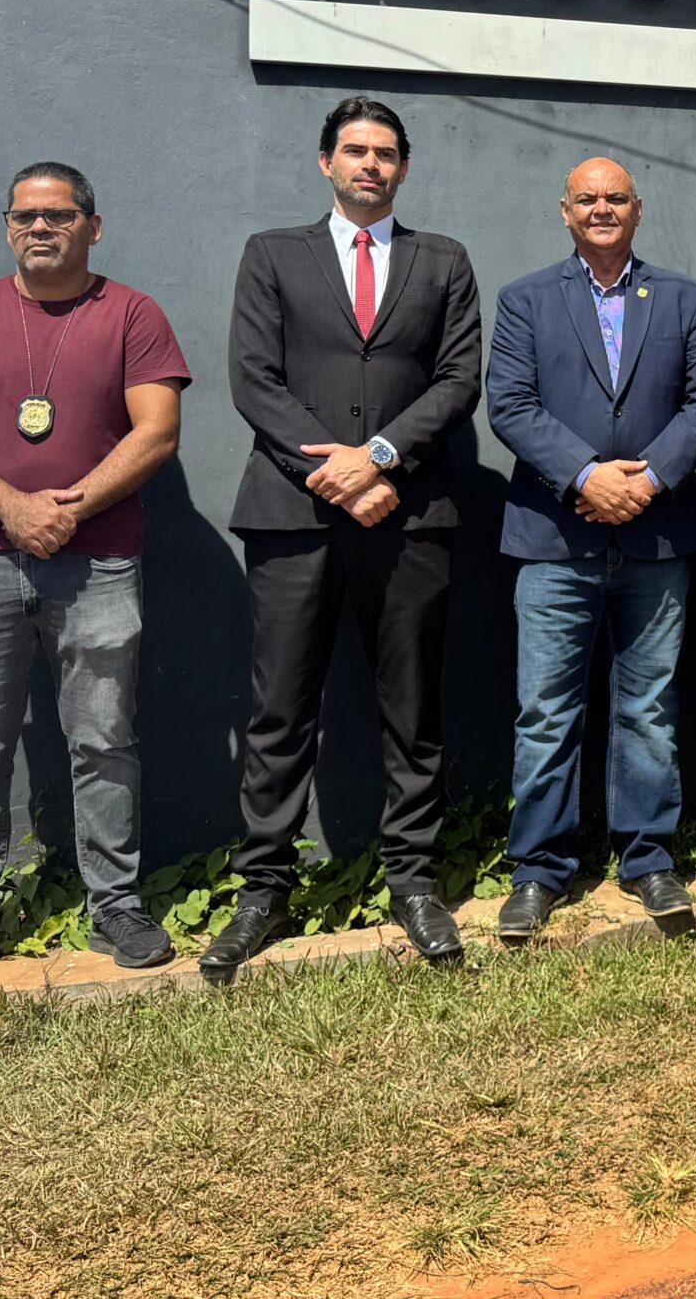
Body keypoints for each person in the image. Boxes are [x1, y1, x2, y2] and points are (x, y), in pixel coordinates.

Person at [201, 98, 484, 980]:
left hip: (409, 513)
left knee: (412, 707)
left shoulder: (444, 260)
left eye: (385, 153)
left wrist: (381, 459)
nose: (370, 164)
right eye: (355, 150)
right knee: (281, 708)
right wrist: (333, 471)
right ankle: (264, 889)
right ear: (325, 161)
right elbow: (254, 378)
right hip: (294, 515)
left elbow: (458, 379)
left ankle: (415, 882)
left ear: (404, 168)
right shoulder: (272, 253)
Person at [0, 161, 189, 994]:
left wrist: (70, 508)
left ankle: (115, 906)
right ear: (8, 227)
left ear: (92, 226)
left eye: (58, 215)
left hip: (98, 563)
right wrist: (13, 507)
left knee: (104, 740)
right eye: (24, 215)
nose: (39, 227)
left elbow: (157, 430)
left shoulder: (131, 313)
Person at [484, 156, 696, 943]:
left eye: (615, 198)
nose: (601, 208)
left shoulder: (684, 298)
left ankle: (648, 858)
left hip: (657, 535)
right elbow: (509, 404)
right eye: (586, 199)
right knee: (545, 711)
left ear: (638, 209)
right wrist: (587, 475)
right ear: (565, 212)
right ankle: (538, 870)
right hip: (555, 537)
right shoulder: (526, 299)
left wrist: (648, 478)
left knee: (649, 709)